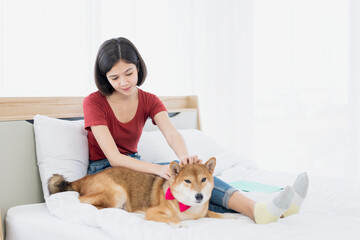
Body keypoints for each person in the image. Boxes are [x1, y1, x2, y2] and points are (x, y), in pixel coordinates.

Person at [83, 37, 309, 224]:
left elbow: (172, 133)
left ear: (139, 68)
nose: (123, 82)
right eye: (114, 77)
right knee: (181, 183)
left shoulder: (149, 100)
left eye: (129, 73)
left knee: (193, 185)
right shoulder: (94, 102)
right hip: (106, 170)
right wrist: (157, 169)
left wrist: (183, 159)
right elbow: (113, 157)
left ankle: (271, 210)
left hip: (137, 166)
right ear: (104, 77)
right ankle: (257, 209)